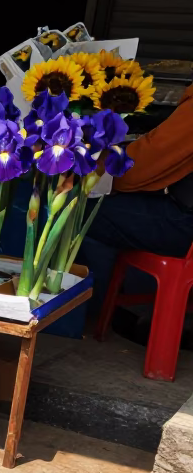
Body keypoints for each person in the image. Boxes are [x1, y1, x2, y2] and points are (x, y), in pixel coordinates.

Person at [79, 85, 193, 319]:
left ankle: (90, 312)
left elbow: (147, 162)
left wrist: (102, 170)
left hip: (186, 226)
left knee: (88, 214)